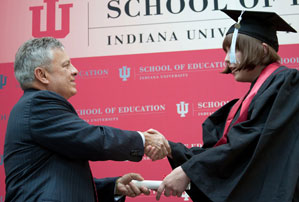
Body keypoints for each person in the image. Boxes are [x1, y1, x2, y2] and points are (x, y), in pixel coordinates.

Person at [149, 9, 299, 202]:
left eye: (234, 49)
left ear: (262, 49)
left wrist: (189, 170)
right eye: (225, 51)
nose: (227, 59)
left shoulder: (287, 84)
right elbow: (227, 149)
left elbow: (250, 144)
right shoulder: (248, 100)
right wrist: (171, 149)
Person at [4, 37, 170, 202]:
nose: (75, 70)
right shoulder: (38, 104)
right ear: (42, 75)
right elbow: (90, 138)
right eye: (66, 65)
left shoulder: (32, 107)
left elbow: (57, 179)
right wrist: (142, 140)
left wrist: (113, 186)